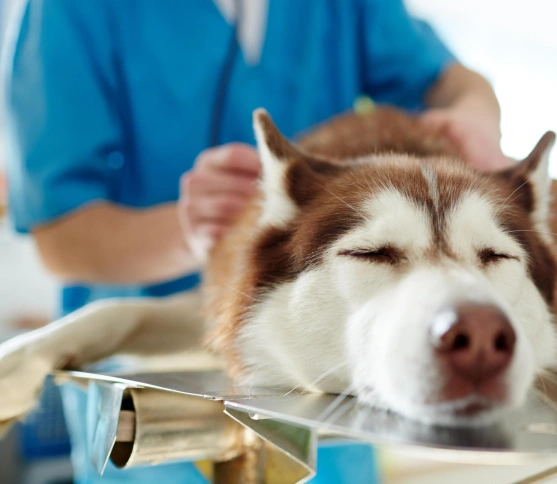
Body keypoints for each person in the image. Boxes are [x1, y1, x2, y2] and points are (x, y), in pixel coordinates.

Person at [3, 0, 508, 482]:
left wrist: (474, 118)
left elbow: (454, 83)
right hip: (158, 395)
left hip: (327, 402)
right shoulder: (71, 9)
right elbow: (60, 237)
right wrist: (189, 232)